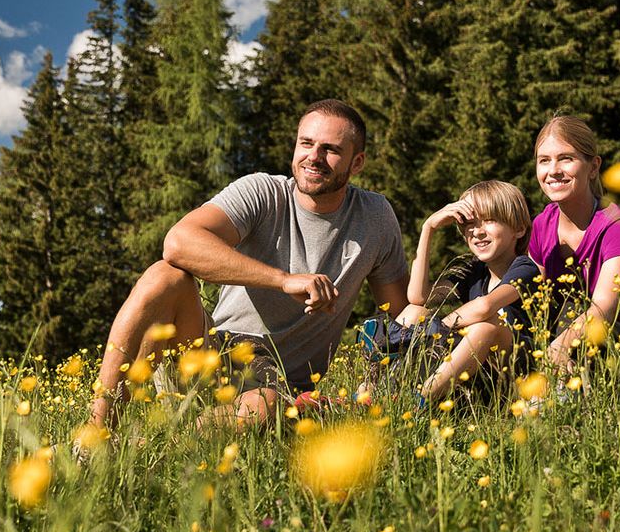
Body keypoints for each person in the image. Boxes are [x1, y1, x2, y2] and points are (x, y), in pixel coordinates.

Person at [86, 100, 408, 428]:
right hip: (213, 352)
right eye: (306, 143)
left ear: (357, 163)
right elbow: (178, 243)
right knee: (163, 275)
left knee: (263, 404)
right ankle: (95, 435)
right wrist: (284, 280)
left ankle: (159, 450)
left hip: (278, 386)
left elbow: (401, 314)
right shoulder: (262, 193)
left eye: (330, 149)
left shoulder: (375, 218)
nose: (313, 157)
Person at [526, 116, 620, 373]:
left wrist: (558, 346)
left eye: (566, 158)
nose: (553, 170)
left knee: (573, 311)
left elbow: (604, 309)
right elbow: (535, 300)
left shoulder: (617, 225)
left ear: (593, 167)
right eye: (544, 160)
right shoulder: (542, 224)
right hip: (573, 340)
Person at [388, 180, 538, 403]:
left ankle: (416, 400)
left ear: (519, 229)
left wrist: (436, 330)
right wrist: (428, 228)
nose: (477, 232)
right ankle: (377, 387)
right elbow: (418, 298)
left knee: (488, 325)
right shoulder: (473, 269)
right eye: (469, 223)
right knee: (413, 312)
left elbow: (484, 307)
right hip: (476, 374)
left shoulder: (525, 268)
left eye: (489, 220)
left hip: (516, 378)